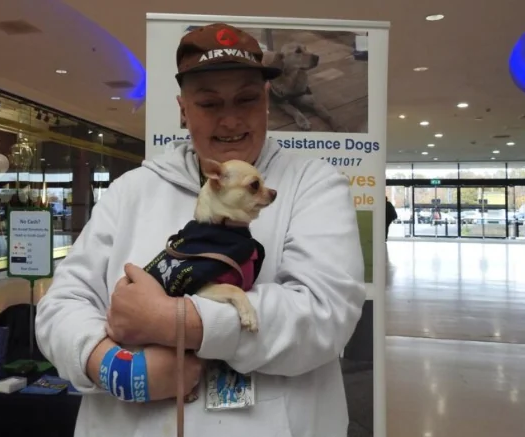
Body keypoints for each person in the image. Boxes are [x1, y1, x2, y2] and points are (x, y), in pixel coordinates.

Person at [35, 22, 365, 437]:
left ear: (266, 101)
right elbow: (61, 305)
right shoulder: (131, 190)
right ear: (182, 109)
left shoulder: (313, 185)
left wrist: (178, 321)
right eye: (209, 104)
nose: (230, 120)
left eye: (246, 99)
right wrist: (119, 369)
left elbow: (324, 313)